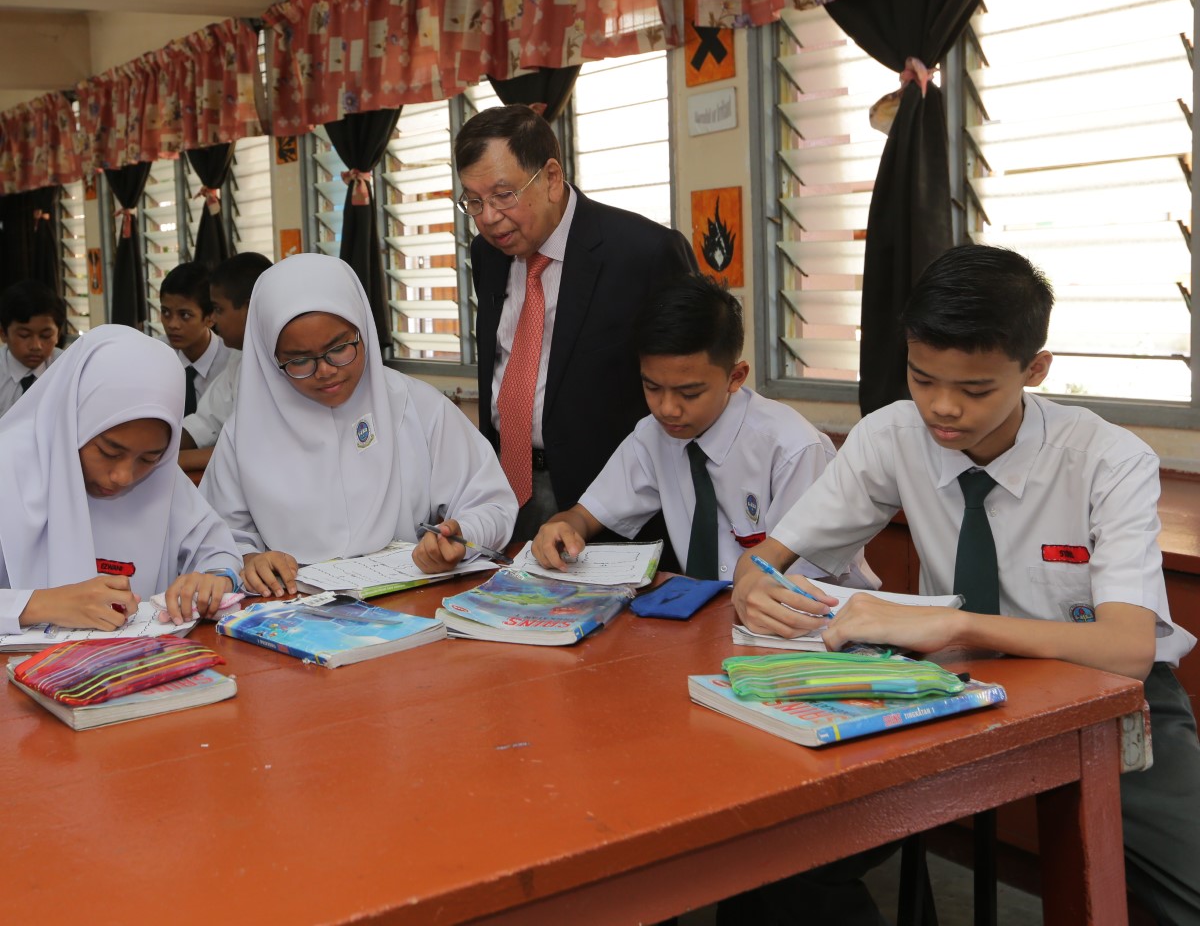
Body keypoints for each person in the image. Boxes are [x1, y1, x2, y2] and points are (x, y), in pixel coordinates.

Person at [733, 244, 1200, 925]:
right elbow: (766, 560)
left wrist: (954, 625)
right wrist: (755, 586)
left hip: (1104, 694)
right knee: (779, 862)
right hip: (948, 689)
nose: (942, 409)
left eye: (976, 390)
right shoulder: (890, 436)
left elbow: (1128, 648)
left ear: (1034, 369)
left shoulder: (1107, 458)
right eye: (922, 379)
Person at [199, 253, 517, 594]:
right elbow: (215, 538)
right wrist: (248, 560)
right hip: (289, 612)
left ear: (362, 329)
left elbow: (491, 504)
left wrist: (460, 534)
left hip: (408, 601)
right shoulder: (245, 433)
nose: (325, 371)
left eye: (339, 348)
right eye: (299, 360)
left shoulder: (416, 406)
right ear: (270, 358)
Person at [531, 274, 875, 587]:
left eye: (689, 393)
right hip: (711, 616)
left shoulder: (792, 449)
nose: (667, 408)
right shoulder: (654, 435)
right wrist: (563, 528)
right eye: (651, 387)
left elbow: (804, 581)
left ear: (735, 377)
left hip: (814, 625)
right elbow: (585, 515)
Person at [458, 103, 697, 545]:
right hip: (502, 485)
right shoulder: (487, 254)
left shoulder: (642, 253)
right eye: (473, 201)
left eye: (503, 195)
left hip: (605, 502)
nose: (488, 217)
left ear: (550, 178)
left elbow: (688, 378)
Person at [0, 324, 243, 632]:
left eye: (149, 458)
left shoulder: (162, 479)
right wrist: (40, 604)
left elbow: (217, 549)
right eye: (109, 452)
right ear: (72, 421)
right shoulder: (8, 468)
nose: (123, 477)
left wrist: (213, 578)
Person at [179, 252, 273, 473]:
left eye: (219, 309)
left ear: (249, 309)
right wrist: (155, 448)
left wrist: (172, 462)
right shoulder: (239, 359)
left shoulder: (283, 363)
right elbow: (205, 422)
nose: (215, 320)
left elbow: (251, 449)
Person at [159, 261, 229, 416]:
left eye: (185, 315)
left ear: (211, 318)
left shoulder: (231, 364)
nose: (172, 324)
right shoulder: (155, 355)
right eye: (165, 312)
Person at [0, 279, 66, 419]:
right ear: (3, 334)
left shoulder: (69, 367)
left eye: (46, 335)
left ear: (58, 334)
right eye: (24, 335)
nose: (36, 346)